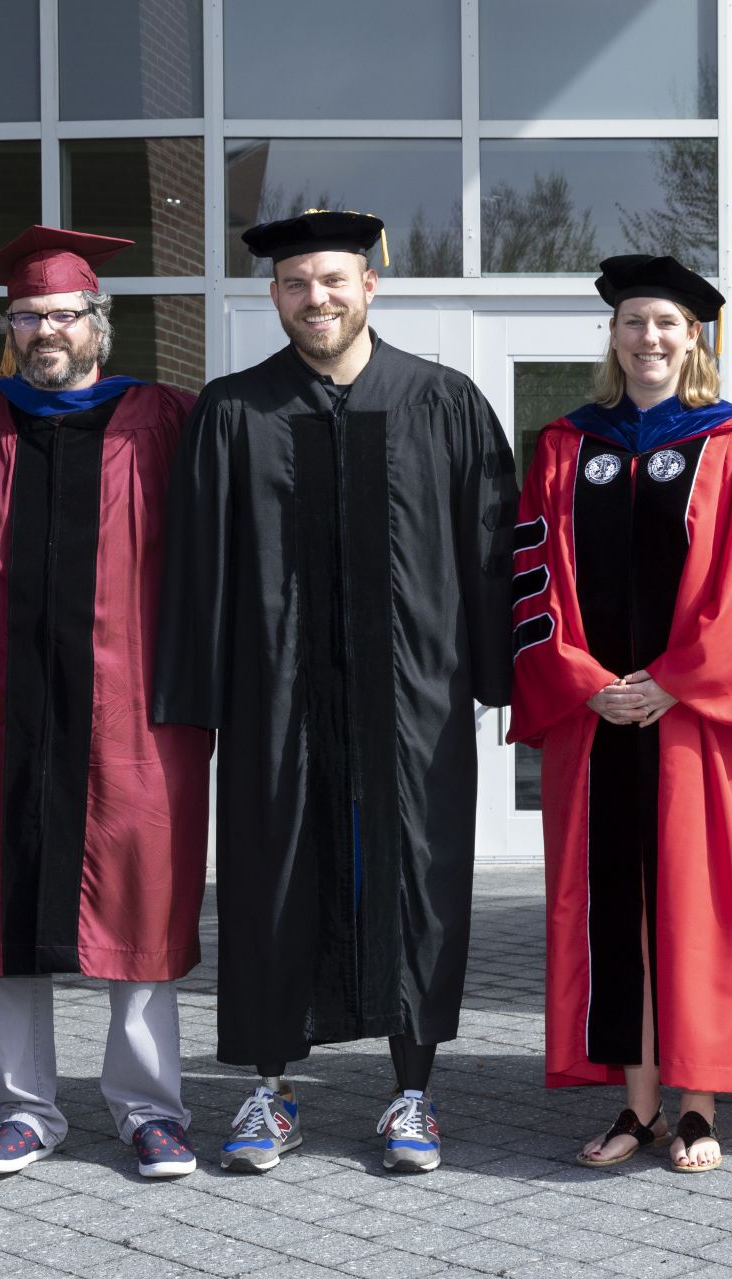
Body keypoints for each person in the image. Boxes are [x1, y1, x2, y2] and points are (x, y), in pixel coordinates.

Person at [152, 211, 516, 1175]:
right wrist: (196, 694)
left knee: (417, 880)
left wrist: (499, 675)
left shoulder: (444, 402)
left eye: (332, 280)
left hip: (413, 697)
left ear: (370, 284)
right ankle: (268, 1090)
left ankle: (412, 1093)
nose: (315, 298)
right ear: (272, 296)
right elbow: (193, 567)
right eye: (294, 284)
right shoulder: (232, 412)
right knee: (273, 874)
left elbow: (491, 553)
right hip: (277, 696)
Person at [508, 254, 732, 1174]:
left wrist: (678, 679)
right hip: (597, 717)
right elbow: (534, 583)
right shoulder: (566, 446)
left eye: (666, 323)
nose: (649, 338)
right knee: (618, 907)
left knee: (697, 902)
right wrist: (584, 677)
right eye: (634, 322)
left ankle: (698, 1105)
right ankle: (635, 1105)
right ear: (613, 334)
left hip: (697, 721)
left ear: (694, 337)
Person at [0, 225, 211, 1181]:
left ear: (100, 322)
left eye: (62, 315)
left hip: (129, 710)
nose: (45, 330)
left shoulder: (165, 417)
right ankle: (21, 1110)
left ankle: (149, 1111)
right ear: (9, 329)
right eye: (28, 316)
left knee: (137, 905)